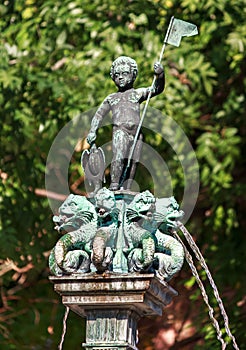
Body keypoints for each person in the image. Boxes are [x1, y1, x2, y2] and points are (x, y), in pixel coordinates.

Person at [87, 56, 164, 191]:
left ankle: (127, 188)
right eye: (117, 75)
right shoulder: (112, 98)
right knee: (119, 156)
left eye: (124, 74)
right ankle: (114, 184)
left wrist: (160, 75)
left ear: (133, 75)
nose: (120, 77)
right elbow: (99, 115)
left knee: (133, 162)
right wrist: (93, 130)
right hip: (120, 131)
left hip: (136, 133)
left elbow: (156, 89)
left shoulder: (137, 93)